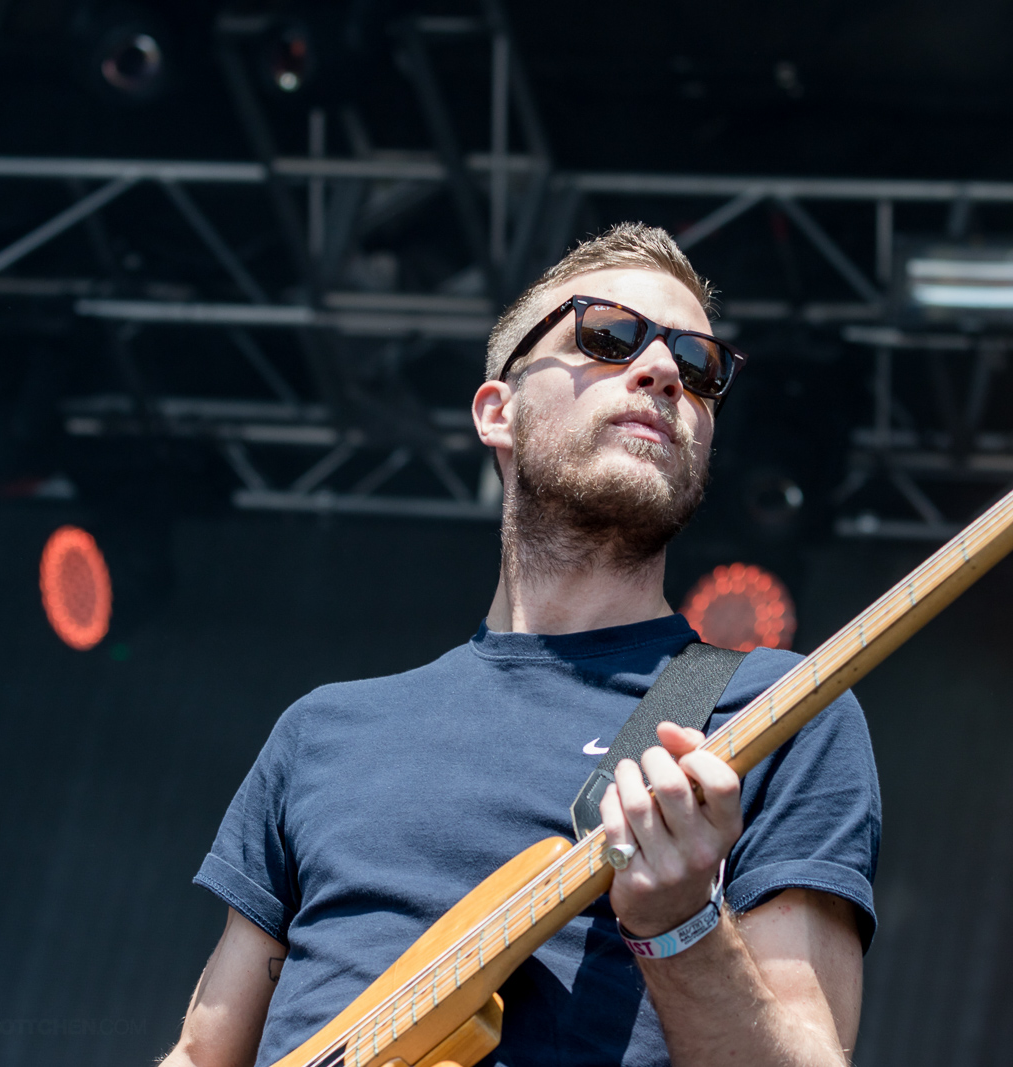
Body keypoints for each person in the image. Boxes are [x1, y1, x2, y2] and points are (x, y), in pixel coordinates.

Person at [160, 223, 881, 1067]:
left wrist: (680, 919)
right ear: (497, 412)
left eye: (698, 367)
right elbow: (201, 1054)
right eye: (608, 336)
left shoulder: (765, 713)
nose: (660, 373)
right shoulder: (322, 732)